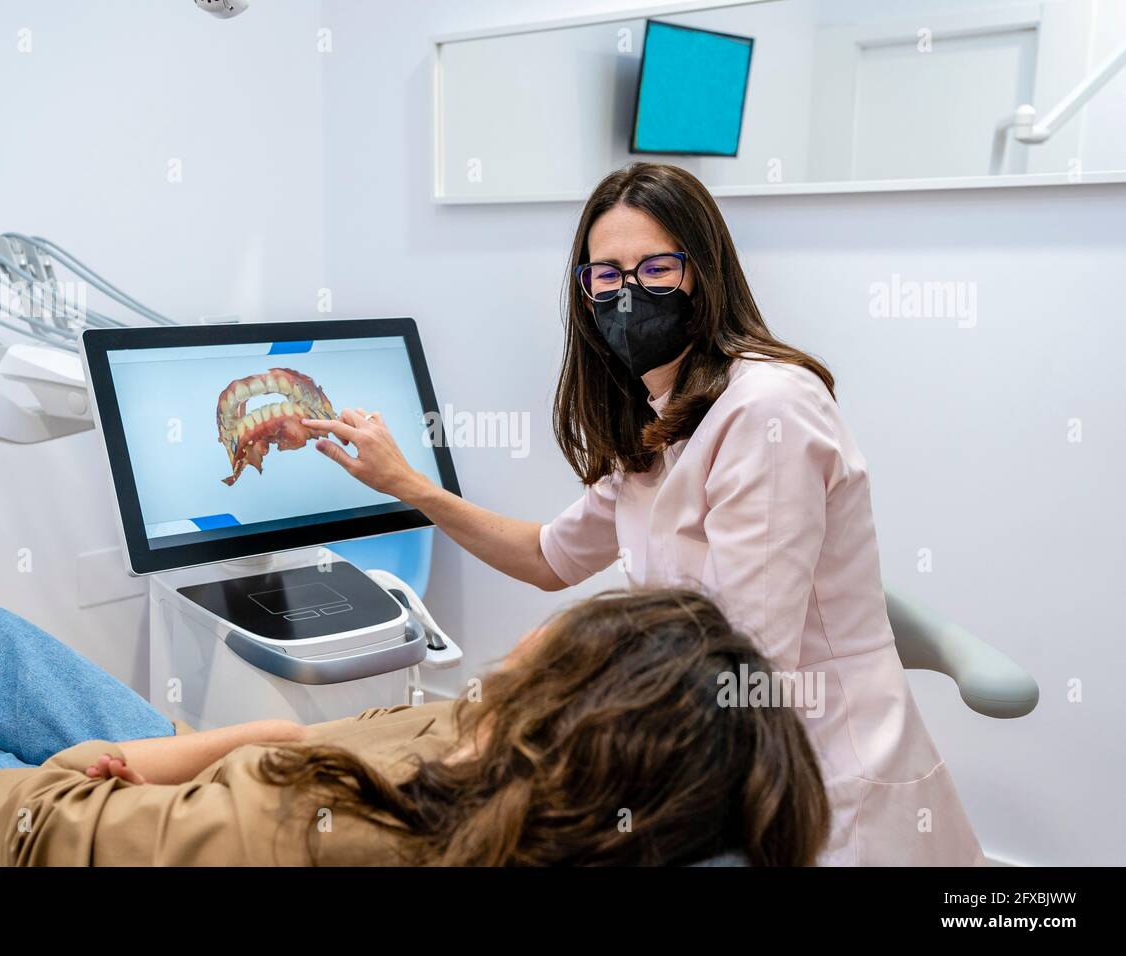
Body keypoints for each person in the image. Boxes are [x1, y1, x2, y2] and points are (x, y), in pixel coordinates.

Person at [300, 162, 982, 865]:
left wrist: (558, 698)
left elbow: (747, 664)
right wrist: (412, 485)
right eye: (606, 275)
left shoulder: (767, 409)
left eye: (655, 268)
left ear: (703, 274)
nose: (627, 294)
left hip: (816, 774)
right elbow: (547, 559)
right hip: (714, 749)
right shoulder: (660, 423)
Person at [0, 592, 829, 867]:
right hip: (202, 782)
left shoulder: (315, 826)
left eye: (566, 636)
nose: (539, 629)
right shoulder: (520, 779)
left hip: (92, 816)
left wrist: (230, 743)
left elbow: (45, 817)